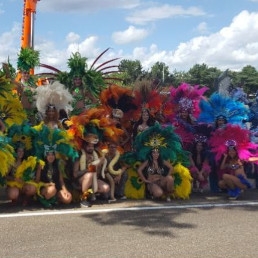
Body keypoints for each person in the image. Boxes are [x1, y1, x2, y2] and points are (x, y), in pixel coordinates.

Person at [73, 133, 110, 207]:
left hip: (94, 178)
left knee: (106, 188)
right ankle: (84, 199)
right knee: (89, 175)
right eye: (89, 146)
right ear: (84, 145)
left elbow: (98, 172)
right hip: (81, 179)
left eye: (92, 146)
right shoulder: (79, 154)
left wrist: (100, 165)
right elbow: (75, 174)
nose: (91, 148)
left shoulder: (96, 154)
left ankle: (90, 194)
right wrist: (89, 169)